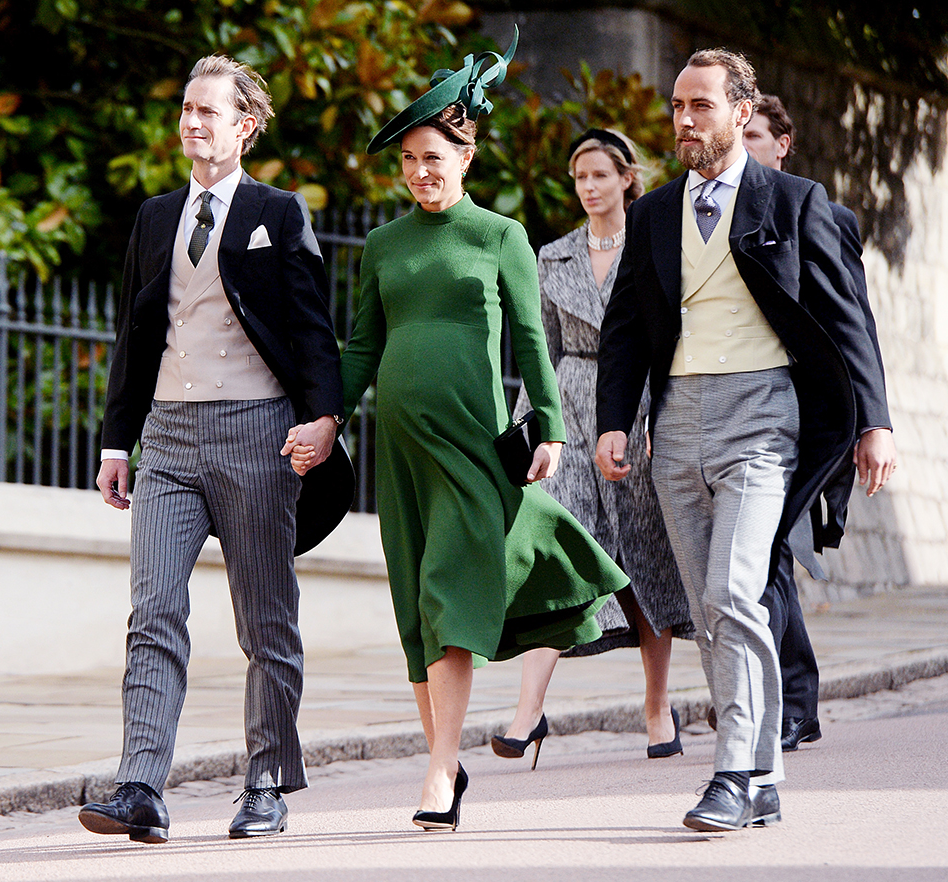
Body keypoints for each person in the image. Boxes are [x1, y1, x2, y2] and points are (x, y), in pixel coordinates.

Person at [300, 29, 629, 832]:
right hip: (400, 456)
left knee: (448, 593)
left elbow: (529, 338)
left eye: (434, 157)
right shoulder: (383, 244)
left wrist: (547, 425)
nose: (420, 171)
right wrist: (326, 418)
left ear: (466, 157)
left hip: (475, 447)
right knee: (417, 609)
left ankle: (439, 769)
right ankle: (445, 757)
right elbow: (364, 346)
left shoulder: (499, 238)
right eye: (409, 158)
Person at [595, 49, 895, 832]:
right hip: (677, 419)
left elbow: (844, 316)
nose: (684, 119)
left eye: (700, 105)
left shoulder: (793, 201)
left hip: (764, 414)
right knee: (706, 602)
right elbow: (626, 325)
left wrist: (875, 422)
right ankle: (760, 776)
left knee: (736, 587)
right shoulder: (655, 211)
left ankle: (736, 768)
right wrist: (612, 421)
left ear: (739, 109)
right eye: (675, 107)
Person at [80, 55, 350, 844]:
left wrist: (324, 419)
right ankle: (140, 785)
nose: (193, 123)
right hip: (165, 435)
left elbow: (311, 332)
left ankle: (266, 782)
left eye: (209, 112)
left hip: (256, 435)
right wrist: (115, 440)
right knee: (154, 608)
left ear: (246, 126)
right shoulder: (155, 216)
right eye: (187, 110)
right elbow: (136, 332)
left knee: (265, 618)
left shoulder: (279, 211)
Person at [490, 129, 694, 768]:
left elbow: (671, 339)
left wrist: (668, 416)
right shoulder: (552, 257)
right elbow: (541, 352)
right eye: (579, 177)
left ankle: (658, 707)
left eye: (599, 175)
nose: (588, 188)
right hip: (569, 416)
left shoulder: (660, 243)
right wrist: (530, 432)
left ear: (626, 178)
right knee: (560, 559)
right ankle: (526, 715)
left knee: (644, 559)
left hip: (635, 411)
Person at [742, 93, 887, 752]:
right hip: (738, 412)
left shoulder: (823, 214)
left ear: (783, 145)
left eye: (755, 138)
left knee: (768, 545)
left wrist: (872, 423)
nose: (742, 149)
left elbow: (853, 319)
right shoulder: (703, 217)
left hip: (811, 417)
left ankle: (788, 700)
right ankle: (789, 697)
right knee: (761, 552)